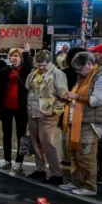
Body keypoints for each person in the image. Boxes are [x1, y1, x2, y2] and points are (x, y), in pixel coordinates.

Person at [60, 52, 101, 195]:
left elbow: (97, 100)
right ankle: (76, 182)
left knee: (86, 156)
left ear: (89, 64)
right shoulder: (84, 78)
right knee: (74, 154)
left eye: (79, 69)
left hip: (88, 123)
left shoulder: (98, 77)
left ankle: (89, 187)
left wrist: (76, 97)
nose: (78, 72)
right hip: (77, 122)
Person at [25, 50, 67, 185]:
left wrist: (55, 111)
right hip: (33, 111)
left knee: (47, 143)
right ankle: (40, 169)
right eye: (39, 65)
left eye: (44, 65)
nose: (41, 67)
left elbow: (63, 95)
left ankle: (56, 173)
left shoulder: (58, 74)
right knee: (36, 142)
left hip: (48, 113)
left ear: (50, 62)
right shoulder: (33, 74)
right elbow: (28, 87)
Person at [0, 45, 33, 172]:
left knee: (21, 135)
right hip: (6, 107)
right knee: (7, 135)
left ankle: (19, 161)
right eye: (12, 56)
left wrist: (27, 52)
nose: (13, 58)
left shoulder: (25, 71)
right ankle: (7, 160)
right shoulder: (4, 70)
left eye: (16, 56)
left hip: (20, 108)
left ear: (21, 58)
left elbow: (29, 66)